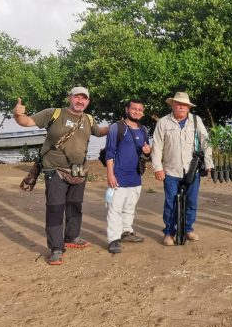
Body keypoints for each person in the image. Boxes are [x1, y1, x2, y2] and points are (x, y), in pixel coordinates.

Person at [12, 86, 108, 265]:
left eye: (84, 98)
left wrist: (117, 126)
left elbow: (99, 132)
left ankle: (71, 237)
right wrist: (17, 114)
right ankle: (56, 248)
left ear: (88, 101)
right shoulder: (53, 113)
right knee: (56, 208)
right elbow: (26, 122)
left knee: (75, 206)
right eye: (76, 97)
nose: (80, 101)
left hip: (79, 170)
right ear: (69, 98)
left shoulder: (88, 119)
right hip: (55, 169)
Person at [151, 92, 213, 246]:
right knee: (171, 202)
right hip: (170, 171)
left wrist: (209, 162)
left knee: (191, 202)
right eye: (178, 104)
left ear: (188, 107)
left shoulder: (196, 121)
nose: (182, 107)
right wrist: (157, 168)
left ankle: (188, 229)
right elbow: (157, 145)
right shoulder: (163, 122)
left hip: (192, 170)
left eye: (185, 105)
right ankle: (169, 233)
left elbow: (206, 142)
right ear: (172, 104)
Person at [104, 99, 152, 254]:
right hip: (119, 176)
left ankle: (126, 231)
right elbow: (109, 153)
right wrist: (110, 174)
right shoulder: (116, 128)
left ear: (143, 112)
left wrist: (147, 151)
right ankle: (113, 239)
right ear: (127, 109)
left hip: (135, 176)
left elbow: (145, 152)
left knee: (130, 206)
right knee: (114, 209)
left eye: (140, 109)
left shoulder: (143, 129)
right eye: (134, 109)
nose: (137, 112)